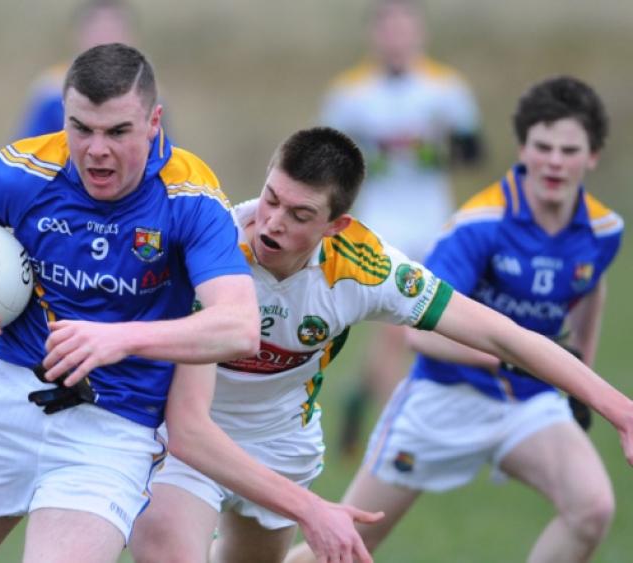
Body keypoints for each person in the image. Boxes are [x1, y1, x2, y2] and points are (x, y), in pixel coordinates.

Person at [130, 124, 633, 563]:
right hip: (189, 433)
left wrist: (620, 410)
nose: (273, 222)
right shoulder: (211, 244)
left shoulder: (366, 268)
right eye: (271, 198)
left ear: (336, 226)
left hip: (281, 443)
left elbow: (505, 336)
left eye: (301, 214)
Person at [0, 43, 262, 563]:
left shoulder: (190, 199)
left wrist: (119, 340)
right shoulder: (30, 169)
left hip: (112, 429)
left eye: (117, 131)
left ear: (154, 123)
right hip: (7, 398)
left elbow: (240, 327)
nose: (95, 150)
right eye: (81, 128)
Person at [287, 76, 629, 563]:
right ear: (522, 149)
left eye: (569, 150)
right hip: (442, 401)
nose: (554, 161)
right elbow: (420, 338)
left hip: (527, 405)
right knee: (350, 544)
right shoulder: (477, 226)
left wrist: (580, 374)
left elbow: (591, 285)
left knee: (592, 509)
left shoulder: (603, 229)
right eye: (543, 147)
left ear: (592, 156)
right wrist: (518, 360)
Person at [321, 0, 484, 455]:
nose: (396, 37)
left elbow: (473, 151)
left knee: (425, 326)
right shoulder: (350, 94)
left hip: (433, 220)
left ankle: (360, 392)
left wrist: (434, 148)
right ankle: (400, 432)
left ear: (419, 33)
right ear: (375, 35)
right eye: (388, 28)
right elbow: (327, 162)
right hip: (380, 221)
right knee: (398, 326)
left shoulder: (445, 88)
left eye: (405, 28)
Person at [15, 0, 137, 138]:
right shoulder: (52, 90)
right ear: (78, 34)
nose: (105, 39)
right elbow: (28, 145)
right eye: (97, 30)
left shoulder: (144, 90)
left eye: (113, 30)